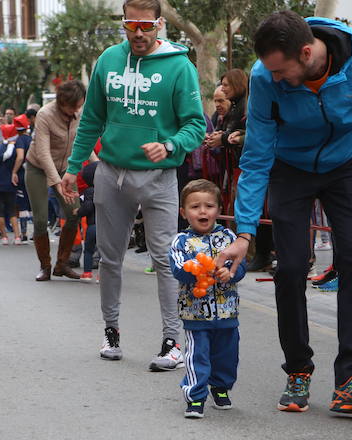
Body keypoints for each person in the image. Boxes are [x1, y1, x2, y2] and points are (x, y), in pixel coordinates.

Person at [218, 10, 352, 414]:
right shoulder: (263, 77)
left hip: (346, 163)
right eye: (270, 71)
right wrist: (244, 233)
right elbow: (255, 159)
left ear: (307, 52)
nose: (274, 79)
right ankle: (298, 370)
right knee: (290, 268)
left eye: (281, 70)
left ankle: (351, 380)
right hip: (289, 169)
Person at [58, 0, 206, 370]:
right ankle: (111, 331)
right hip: (112, 172)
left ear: (159, 25)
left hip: (159, 179)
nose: (138, 33)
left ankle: (173, 341)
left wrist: (170, 144)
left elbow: (196, 125)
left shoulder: (179, 66)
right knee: (109, 258)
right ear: (123, 23)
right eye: (130, 25)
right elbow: (91, 119)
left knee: (164, 259)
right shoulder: (109, 60)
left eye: (145, 26)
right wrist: (72, 168)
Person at [169, 179, 246, 418]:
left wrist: (229, 273)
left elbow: (240, 266)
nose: (203, 211)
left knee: (227, 356)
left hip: (227, 311)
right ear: (183, 212)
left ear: (219, 210)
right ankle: (195, 397)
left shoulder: (230, 237)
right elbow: (177, 269)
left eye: (209, 206)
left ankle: (221, 388)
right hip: (196, 313)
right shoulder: (180, 241)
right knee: (197, 356)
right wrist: (194, 269)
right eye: (195, 207)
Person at [25, 79, 87, 281]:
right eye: (73, 107)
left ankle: (62, 264)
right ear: (62, 103)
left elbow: (83, 144)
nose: (76, 110)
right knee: (41, 218)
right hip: (38, 168)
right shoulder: (45, 114)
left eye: (79, 105)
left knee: (74, 212)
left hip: (65, 170)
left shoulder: (80, 113)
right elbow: (43, 153)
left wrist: (97, 166)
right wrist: (57, 183)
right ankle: (45, 266)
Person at [0, 123, 23, 245]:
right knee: (11, 210)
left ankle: (4, 237)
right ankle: (17, 237)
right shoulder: (16, 148)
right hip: (11, 182)